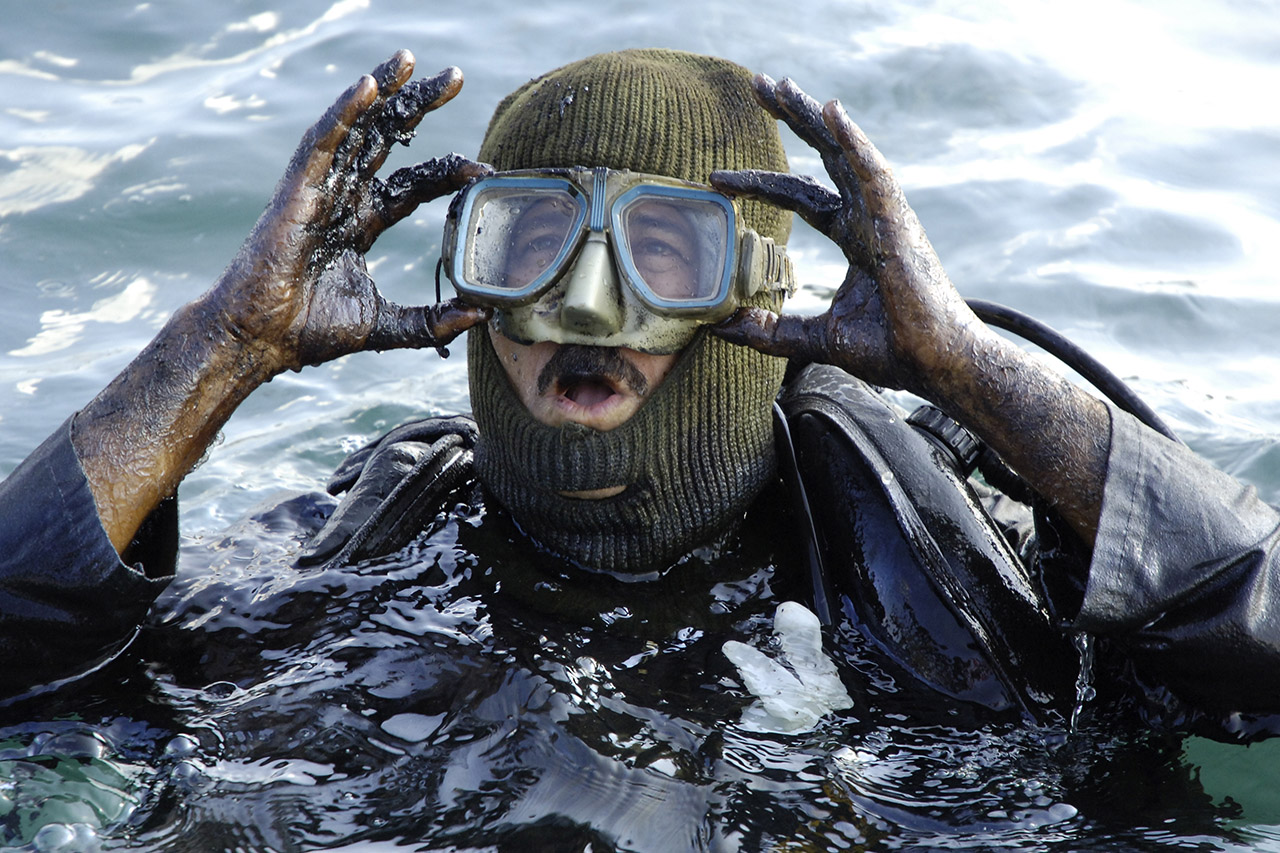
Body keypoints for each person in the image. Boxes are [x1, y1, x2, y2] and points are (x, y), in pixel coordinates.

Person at [2, 47, 1280, 748]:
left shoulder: (938, 559)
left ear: (762, 297)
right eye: (526, 244)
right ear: (465, 289)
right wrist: (222, 346)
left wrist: (965, 366)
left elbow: (1258, 655)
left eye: (666, 253)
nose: (584, 307)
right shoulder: (370, 543)